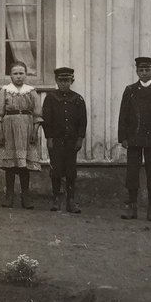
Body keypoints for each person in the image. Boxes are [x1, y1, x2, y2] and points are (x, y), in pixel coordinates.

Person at [117, 56, 151, 222]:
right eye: (141, 70)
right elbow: (123, 115)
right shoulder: (130, 90)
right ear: (137, 72)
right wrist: (123, 137)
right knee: (132, 173)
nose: (144, 73)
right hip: (134, 138)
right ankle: (132, 208)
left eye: (147, 70)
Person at [0, 63, 44, 209]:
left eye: (21, 73)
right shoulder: (4, 91)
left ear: (26, 74)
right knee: (10, 165)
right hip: (9, 128)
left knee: (24, 166)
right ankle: (9, 197)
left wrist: (34, 131)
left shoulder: (31, 92)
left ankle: (25, 197)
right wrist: (1, 133)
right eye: (15, 73)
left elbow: (37, 114)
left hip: (27, 128)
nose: (19, 76)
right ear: (10, 75)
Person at [41, 66, 86, 214]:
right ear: (56, 81)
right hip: (56, 140)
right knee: (56, 169)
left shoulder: (78, 99)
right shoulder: (50, 98)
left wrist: (80, 138)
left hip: (71, 141)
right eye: (61, 81)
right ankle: (56, 199)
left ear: (72, 81)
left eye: (66, 80)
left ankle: (70, 201)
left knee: (70, 170)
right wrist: (49, 138)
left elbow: (82, 121)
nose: (63, 83)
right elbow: (46, 120)